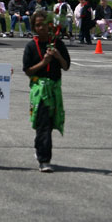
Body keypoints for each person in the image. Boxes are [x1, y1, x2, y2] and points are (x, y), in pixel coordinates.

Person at [23, 9, 70, 173]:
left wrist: (57, 56)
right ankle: (44, 160)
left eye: (44, 24)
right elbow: (28, 71)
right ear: (34, 28)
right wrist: (44, 62)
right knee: (43, 123)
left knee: (47, 125)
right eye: (37, 25)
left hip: (54, 89)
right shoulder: (30, 46)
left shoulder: (58, 44)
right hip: (39, 90)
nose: (41, 28)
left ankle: (39, 148)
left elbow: (66, 66)